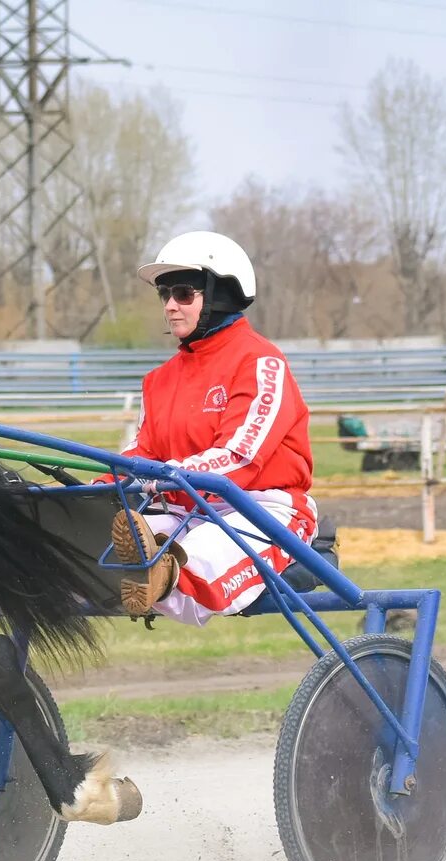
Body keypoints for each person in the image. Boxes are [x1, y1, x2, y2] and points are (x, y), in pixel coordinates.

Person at [108, 231, 316, 625]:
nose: (170, 306)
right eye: (164, 295)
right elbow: (140, 454)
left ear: (221, 293)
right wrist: (100, 485)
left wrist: (168, 476)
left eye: (183, 293)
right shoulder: (159, 380)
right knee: (96, 539)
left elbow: (241, 456)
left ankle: (162, 575)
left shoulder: (260, 361)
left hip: (259, 508)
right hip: (182, 506)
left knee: (203, 550)